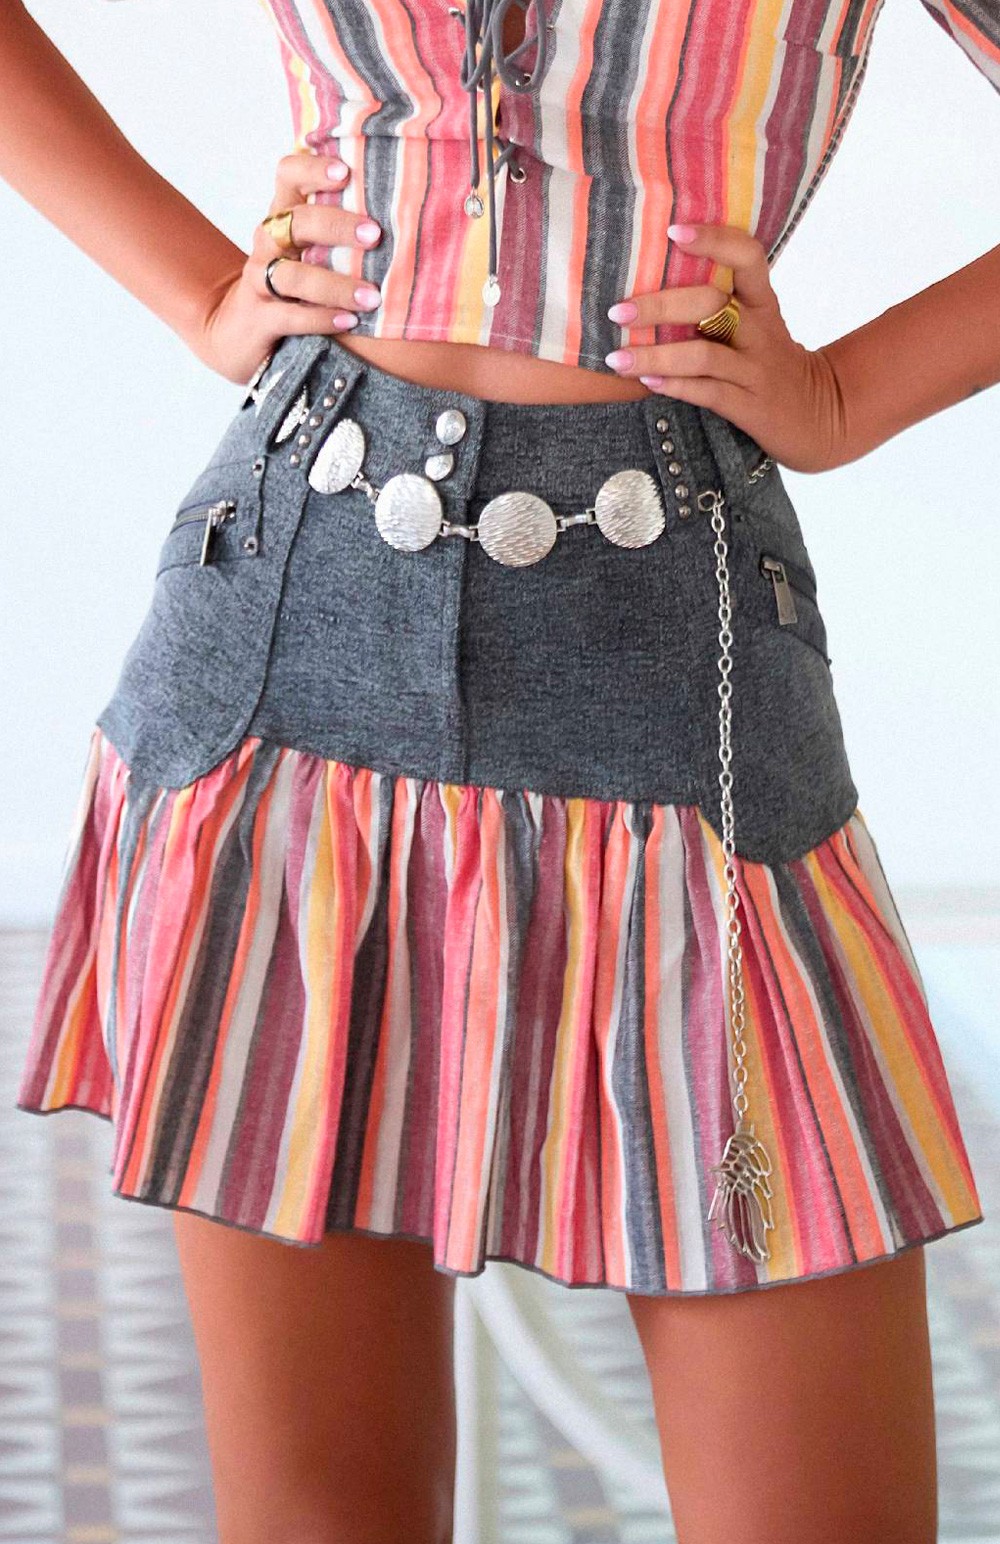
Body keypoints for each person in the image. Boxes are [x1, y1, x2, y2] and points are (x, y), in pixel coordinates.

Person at [6, 0, 996, 1539]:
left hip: (681, 673)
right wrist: (202, 289)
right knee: (323, 1515)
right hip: (291, 615)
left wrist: (848, 396)